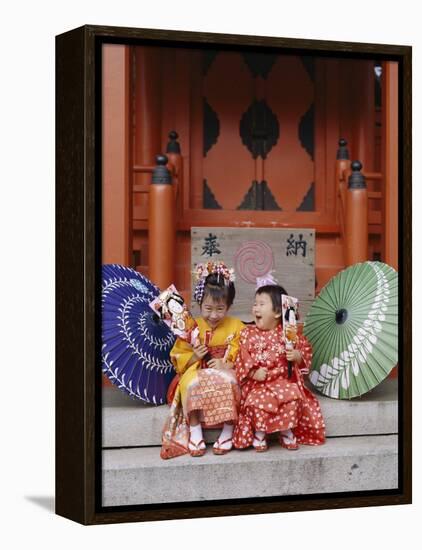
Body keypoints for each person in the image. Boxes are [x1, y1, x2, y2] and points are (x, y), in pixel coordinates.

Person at [160, 261, 244, 459]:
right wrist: (195, 356)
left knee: (230, 380)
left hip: (224, 369)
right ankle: (195, 429)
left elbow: (244, 353)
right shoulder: (190, 326)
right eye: (207, 308)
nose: (213, 315)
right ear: (199, 304)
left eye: (220, 309)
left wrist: (227, 363)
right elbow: (178, 359)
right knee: (191, 383)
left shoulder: (237, 326)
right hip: (196, 369)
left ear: (229, 306)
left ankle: (228, 429)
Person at [232, 281, 325, 452]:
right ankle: (260, 432)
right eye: (255, 304)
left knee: (291, 397)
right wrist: (253, 372)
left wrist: (297, 357)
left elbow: (304, 351)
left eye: (261, 304)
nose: (256, 308)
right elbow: (242, 356)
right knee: (257, 402)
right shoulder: (248, 333)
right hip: (259, 383)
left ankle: (285, 430)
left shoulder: (288, 333)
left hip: (282, 381)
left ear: (276, 312)